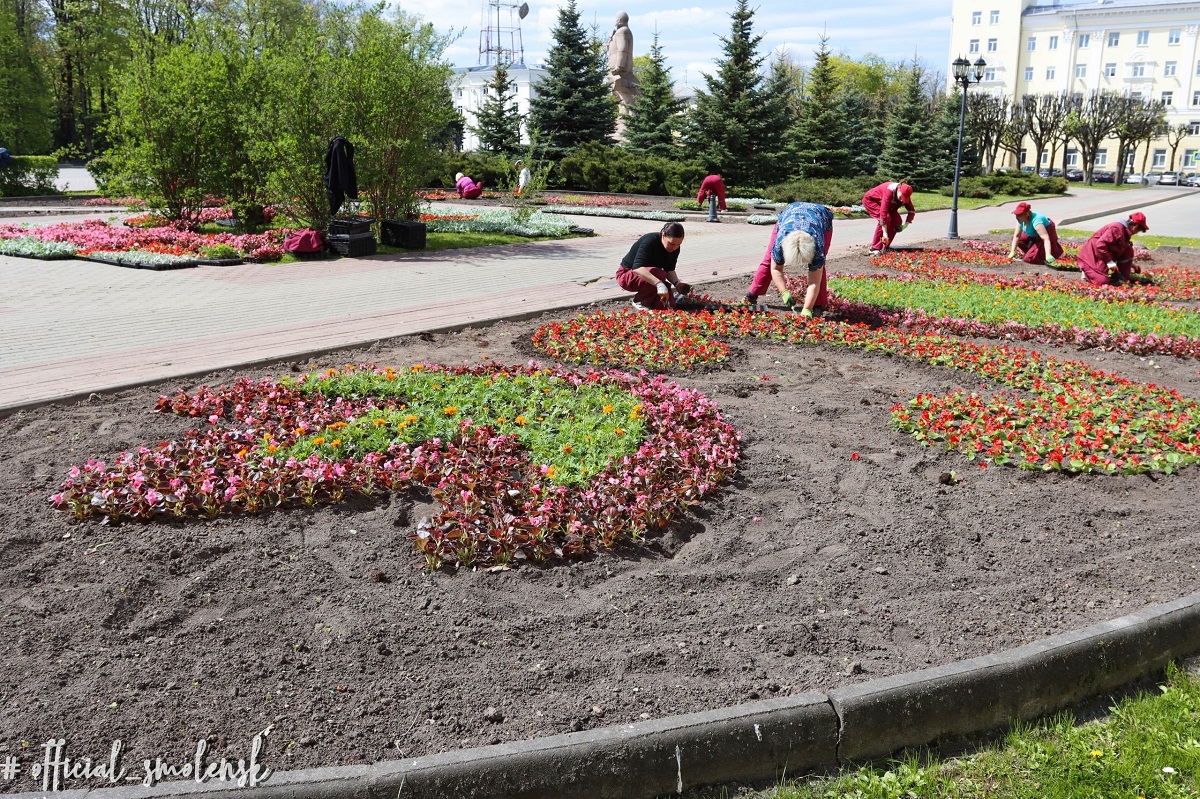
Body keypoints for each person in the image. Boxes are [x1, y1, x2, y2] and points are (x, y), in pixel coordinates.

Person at [744, 202, 833, 318]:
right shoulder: (780, 243)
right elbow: (775, 269)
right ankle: (752, 294)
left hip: (820, 216)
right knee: (769, 259)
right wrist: (784, 292)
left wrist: (806, 309)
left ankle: (817, 305)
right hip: (789, 214)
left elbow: (814, 282)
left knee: (819, 267)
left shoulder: (817, 247)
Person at [616, 222, 691, 311]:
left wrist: (677, 284)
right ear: (663, 235)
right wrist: (659, 284)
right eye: (671, 244)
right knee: (659, 273)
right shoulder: (650, 240)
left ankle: (651, 304)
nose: (675, 247)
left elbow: (669, 270)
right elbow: (637, 268)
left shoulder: (675, 248)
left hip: (651, 278)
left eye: (678, 244)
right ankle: (639, 301)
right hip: (627, 276)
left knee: (669, 305)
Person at [1076, 212, 1149, 286]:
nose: (1137, 233)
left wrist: (1132, 265)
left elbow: (1123, 249)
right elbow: (1101, 245)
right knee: (1102, 281)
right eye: (1138, 230)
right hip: (1091, 257)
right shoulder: (1116, 228)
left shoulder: (1125, 232)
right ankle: (1086, 273)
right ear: (1135, 226)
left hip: (1101, 256)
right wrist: (1110, 263)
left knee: (1128, 250)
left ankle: (1120, 276)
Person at [862, 181, 915, 254]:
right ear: (899, 190)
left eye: (905, 198)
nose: (902, 200)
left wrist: (905, 225)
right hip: (872, 201)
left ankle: (885, 247)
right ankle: (874, 248)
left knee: (897, 221)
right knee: (887, 218)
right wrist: (885, 233)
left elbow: (911, 210)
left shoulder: (905, 195)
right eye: (901, 197)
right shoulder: (889, 190)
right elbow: (883, 214)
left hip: (889, 207)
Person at [1007, 201, 1064, 265]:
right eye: (1016, 214)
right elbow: (1017, 236)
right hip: (1034, 236)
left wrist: (1048, 254)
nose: (1017, 217)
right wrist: (1012, 251)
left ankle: (1044, 255)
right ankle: (1034, 252)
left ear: (1027, 214)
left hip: (1046, 237)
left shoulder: (1037, 221)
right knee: (1020, 240)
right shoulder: (1020, 220)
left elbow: (1045, 238)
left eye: (1019, 215)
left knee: (1028, 259)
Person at [607, 12, 637, 126]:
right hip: (623, 69)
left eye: (616, 18)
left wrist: (618, 66)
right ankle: (623, 117)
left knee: (624, 93)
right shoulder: (625, 31)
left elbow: (622, 50)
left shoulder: (621, 31)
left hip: (620, 69)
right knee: (621, 95)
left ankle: (625, 119)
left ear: (619, 20)